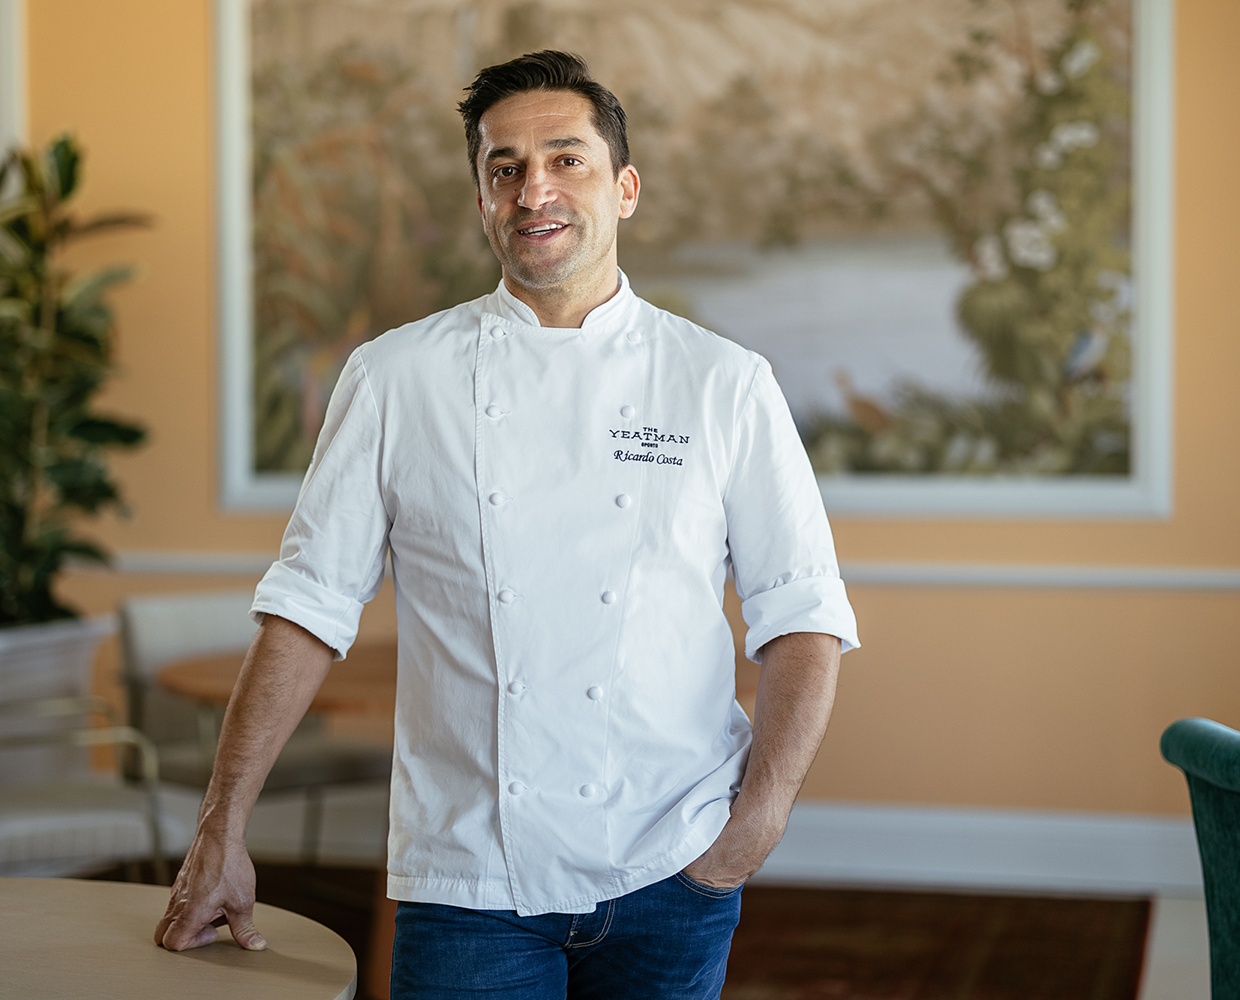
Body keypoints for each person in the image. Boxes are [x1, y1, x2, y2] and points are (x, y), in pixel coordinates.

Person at [155, 50, 859, 999]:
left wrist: (755, 826)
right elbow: (308, 610)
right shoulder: (396, 378)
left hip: (674, 863)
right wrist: (220, 829)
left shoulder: (723, 383)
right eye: (505, 168)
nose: (535, 191)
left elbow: (802, 615)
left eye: (567, 159)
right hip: (469, 876)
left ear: (625, 188)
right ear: (482, 199)